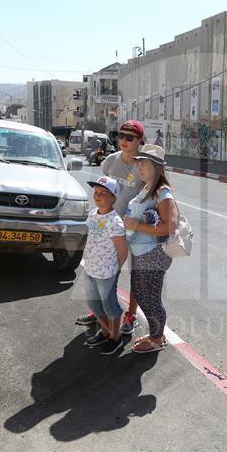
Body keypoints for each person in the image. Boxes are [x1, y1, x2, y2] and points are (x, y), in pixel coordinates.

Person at [74, 120, 146, 334]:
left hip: (133, 228)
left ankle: (130, 315)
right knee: (103, 270)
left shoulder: (143, 165)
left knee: (135, 274)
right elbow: (103, 189)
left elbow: (154, 191)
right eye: (121, 136)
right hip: (108, 227)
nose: (123, 140)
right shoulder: (110, 161)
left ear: (139, 141)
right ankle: (101, 312)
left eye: (130, 137)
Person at [122, 144, 178, 353]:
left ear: (156, 167)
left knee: (151, 298)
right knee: (139, 292)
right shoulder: (146, 188)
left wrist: (136, 225)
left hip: (153, 254)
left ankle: (157, 338)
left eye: (144, 163)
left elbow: (169, 227)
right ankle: (156, 333)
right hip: (140, 253)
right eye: (138, 163)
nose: (140, 167)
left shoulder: (163, 193)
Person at [81, 176, 130, 354]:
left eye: (103, 193)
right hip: (90, 269)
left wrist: (115, 270)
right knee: (94, 305)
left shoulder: (115, 222)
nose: (98, 196)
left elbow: (122, 250)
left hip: (107, 273)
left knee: (110, 307)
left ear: (113, 197)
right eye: (96, 192)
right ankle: (105, 331)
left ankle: (115, 338)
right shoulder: (93, 214)